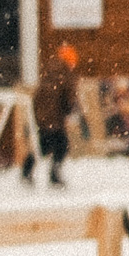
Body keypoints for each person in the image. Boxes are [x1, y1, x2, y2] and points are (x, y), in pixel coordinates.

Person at [24, 40, 79, 186]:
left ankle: (27, 170)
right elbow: (68, 98)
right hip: (54, 117)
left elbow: (38, 96)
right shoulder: (66, 75)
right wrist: (70, 111)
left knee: (43, 145)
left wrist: (39, 115)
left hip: (43, 116)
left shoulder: (49, 71)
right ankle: (54, 174)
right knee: (61, 145)